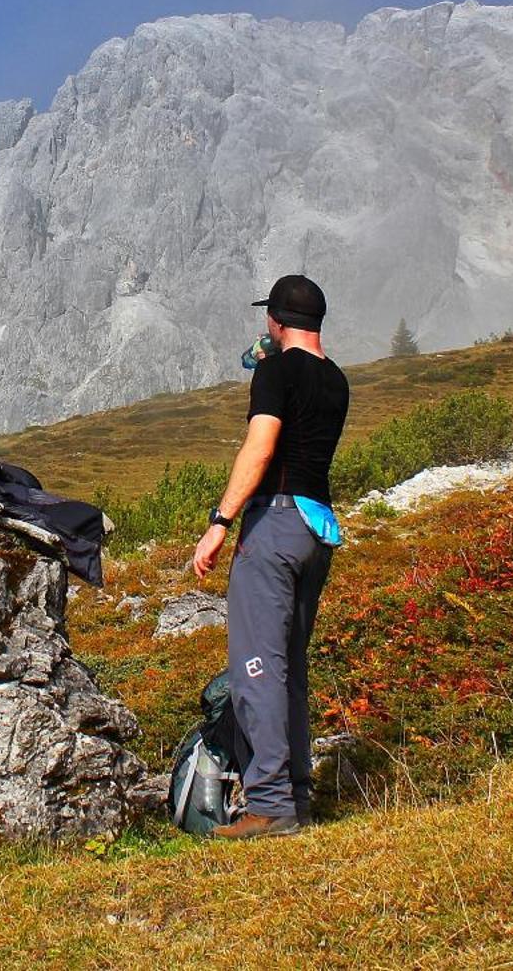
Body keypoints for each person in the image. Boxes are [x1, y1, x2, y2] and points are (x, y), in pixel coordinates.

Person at [192, 273, 349, 839]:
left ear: (277, 320)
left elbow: (260, 448)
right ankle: (296, 797)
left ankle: (270, 805)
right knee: (290, 669)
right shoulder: (335, 379)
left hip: (275, 524)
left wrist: (219, 523)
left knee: (256, 667)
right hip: (318, 527)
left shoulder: (276, 370)